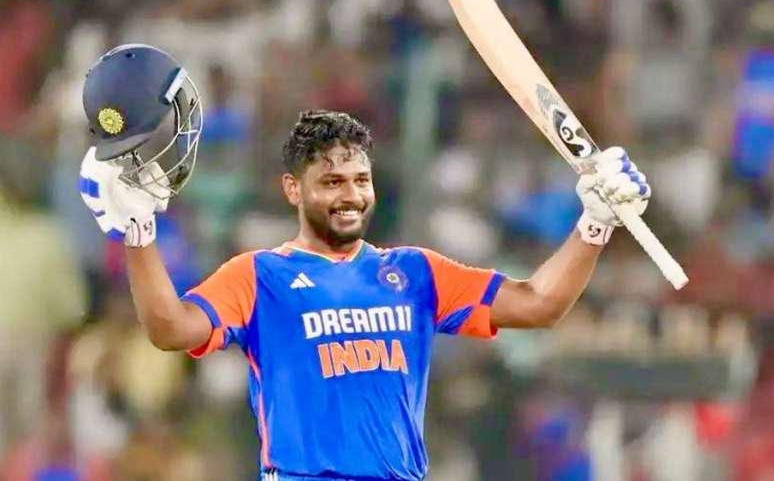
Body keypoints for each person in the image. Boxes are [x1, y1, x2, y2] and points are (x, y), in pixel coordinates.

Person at [78, 44, 650, 481]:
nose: (350, 195)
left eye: (360, 180)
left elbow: (541, 304)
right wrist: (139, 232)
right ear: (293, 190)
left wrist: (595, 223)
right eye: (331, 182)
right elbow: (170, 329)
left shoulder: (416, 274)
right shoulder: (259, 276)